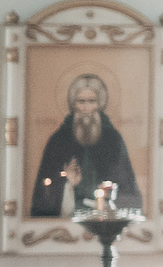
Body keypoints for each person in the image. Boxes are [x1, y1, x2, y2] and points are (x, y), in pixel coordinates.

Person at [29, 73, 141, 217]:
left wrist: (111, 203)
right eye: (81, 101)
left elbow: (127, 187)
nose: (86, 107)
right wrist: (67, 184)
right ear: (73, 104)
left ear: (99, 104)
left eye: (91, 101)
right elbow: (44, 193)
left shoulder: (113, 140)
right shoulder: (58, 140)